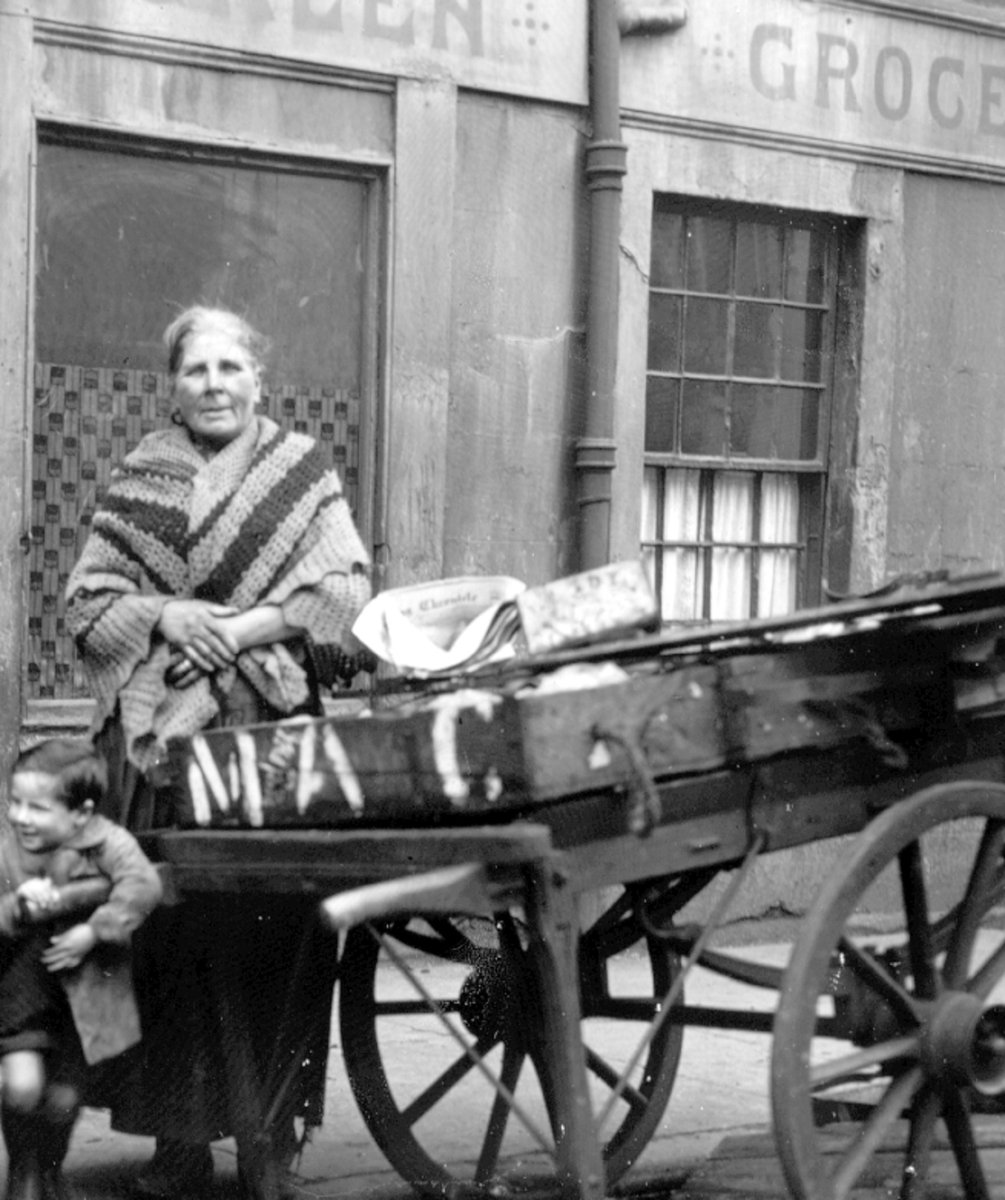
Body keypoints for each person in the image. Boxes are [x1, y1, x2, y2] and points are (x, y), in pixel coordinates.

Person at [64, 305, 373, 1195]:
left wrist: (236, 630)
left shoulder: (300, 470)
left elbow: (344, 590)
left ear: (257, 380)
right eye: (196, 371)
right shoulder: (139, 477)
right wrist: (168, 614)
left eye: (230, 368)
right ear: (172, 387)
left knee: (276, 930)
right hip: (154, 751)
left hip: (266, 739)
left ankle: (272, 1130)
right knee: (160, 936)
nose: (214, 386)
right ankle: (175, 1140)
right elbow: (87, 604)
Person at [0, 738, 163, 1200]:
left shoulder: (107, 842)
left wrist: (94, 930)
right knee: (23, 1086)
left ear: (81, 813)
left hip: (86, 996)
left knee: (65, 1098)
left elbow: (143, 884)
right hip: (21, 989)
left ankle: (50, 1170)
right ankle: (24, 1172)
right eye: (15, 803)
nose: (20, 817)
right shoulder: (8, 851)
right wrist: (17, 905)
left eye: (37, 808)